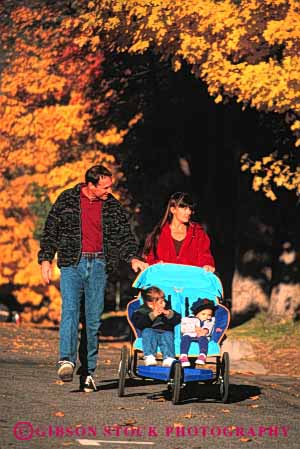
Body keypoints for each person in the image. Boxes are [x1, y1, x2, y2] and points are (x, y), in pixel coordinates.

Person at [38, 165, 148, 392]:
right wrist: (46, 260)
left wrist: (132, 258)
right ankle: (66, 360)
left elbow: (123, 236)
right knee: (70, 309)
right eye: (105, 186)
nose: (109, 190)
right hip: (71, 263)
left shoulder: (111, 205)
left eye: (110, 186)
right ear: (90, 185)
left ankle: (88, 372)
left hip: (99, 264)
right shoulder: (67, 200)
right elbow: (51, 230)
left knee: (93, 320)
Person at [143, 192, 215, 271]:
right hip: (165, 281)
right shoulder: (159, 233)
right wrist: (156, 264)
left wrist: (208, 265)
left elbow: (205, 256)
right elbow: (149, 260)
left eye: (190, 208)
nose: (189, 212)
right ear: (173, 210)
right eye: (184, 208)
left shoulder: (198, 233)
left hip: (190, 281)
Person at [131, 286, 181, 367]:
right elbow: (139, 323)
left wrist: (169, 314)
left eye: (164, 301)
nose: (164, 303)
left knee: (168, 334)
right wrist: (152, 315)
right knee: (147, 332)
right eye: (161, 302)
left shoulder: (167, 310)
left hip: (164, 331)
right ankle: (149, 356)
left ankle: (169, 358)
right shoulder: (142, 311)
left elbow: (178, 319)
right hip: (151, 332)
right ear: (151, 304)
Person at [179, 298, 216, 367]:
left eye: (209, 314)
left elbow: (209, 327)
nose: (206, 317)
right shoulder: (188, 319)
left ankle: (202, 355)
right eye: (203, 314)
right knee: (185, 338)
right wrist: (193, 328)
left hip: (202, 336)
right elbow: (183, 328)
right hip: (189, 334)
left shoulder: (209, 321)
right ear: (196, 314)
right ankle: (183, 356)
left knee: (204, 340)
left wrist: (205, 330)